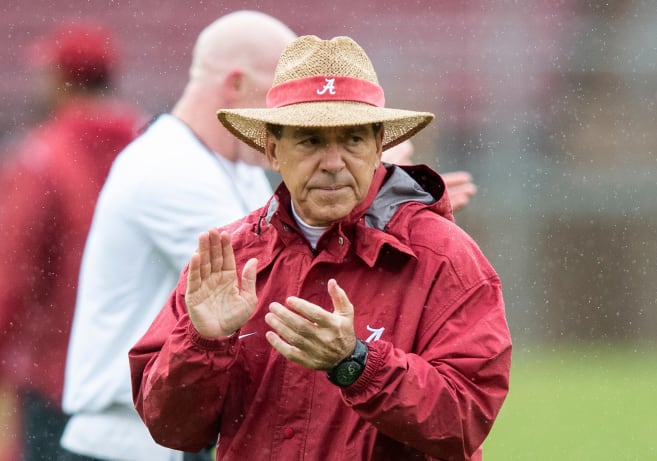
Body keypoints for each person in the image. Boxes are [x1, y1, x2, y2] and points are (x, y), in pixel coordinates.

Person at [129, 35, 512, 460]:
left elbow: (465, 420)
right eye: (311, 141)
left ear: (379, 147)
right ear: (273, 150)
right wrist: (205, 343)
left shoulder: (444, 257)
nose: (333, 163)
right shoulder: (230, 258)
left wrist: (357, 364)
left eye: (351, 139)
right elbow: (172, 428)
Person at [59, 11, 296, 461]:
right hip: (125, 444)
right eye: (282, 97)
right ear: (236, 84)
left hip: (156, 437)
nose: (294, 117)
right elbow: (272, 289)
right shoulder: (168, 167)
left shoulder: (228, 165)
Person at [0, 21, 146, 461]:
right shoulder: (148, 144)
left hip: (59, 373)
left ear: (62, 79)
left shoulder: (42, 156)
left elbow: (13, 271)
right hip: (142, 373)